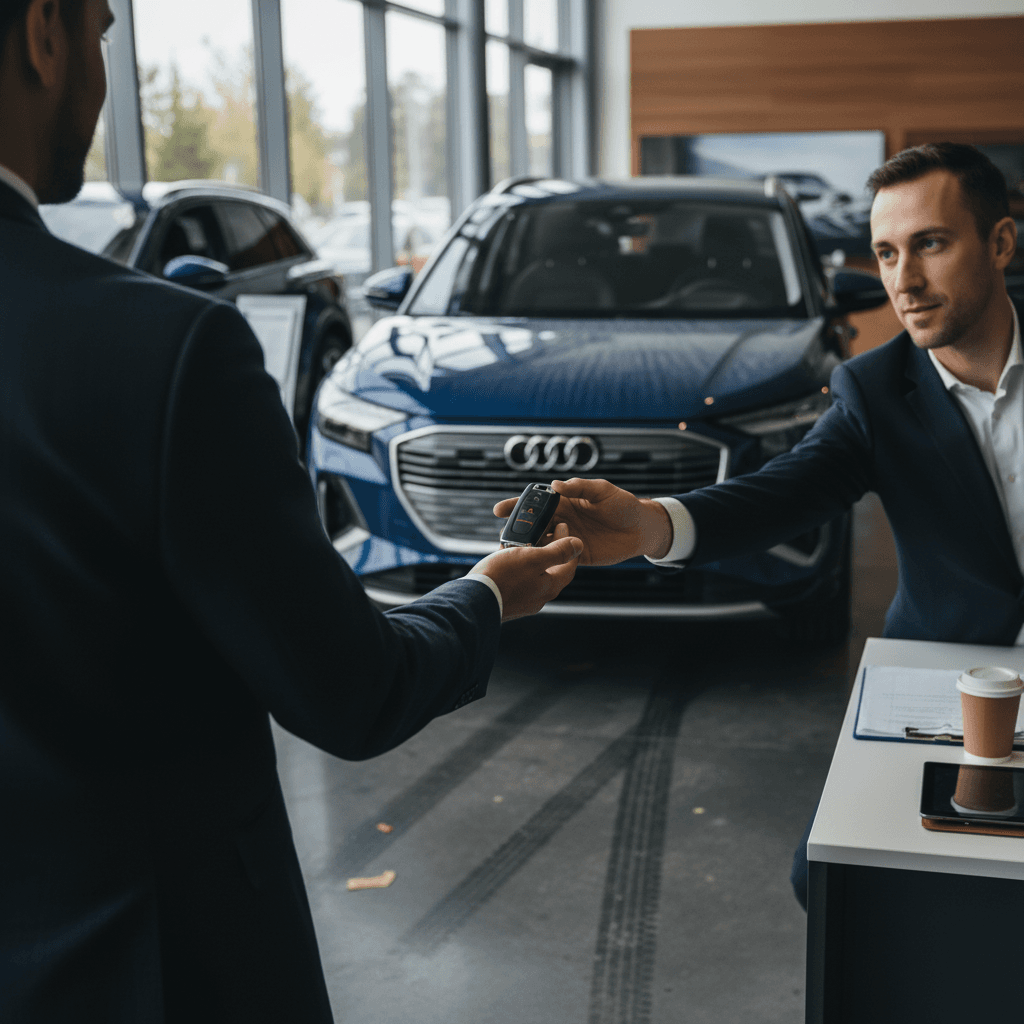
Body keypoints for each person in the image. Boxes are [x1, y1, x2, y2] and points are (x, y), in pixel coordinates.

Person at [0, 1, 584, 1020]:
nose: (104, 75)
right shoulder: (167, 350)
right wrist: (484, 596)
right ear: (42, 34)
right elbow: (350, 691)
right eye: (99, 33)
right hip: (145, 968)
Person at [497, 141, 1021, 910]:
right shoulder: (875, 393)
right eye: (884, 253)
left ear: (1001, 243)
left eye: (930, 245)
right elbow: (779, 494)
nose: (903, 281)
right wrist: (648, 524)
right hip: (946, 679)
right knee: (833, 884)